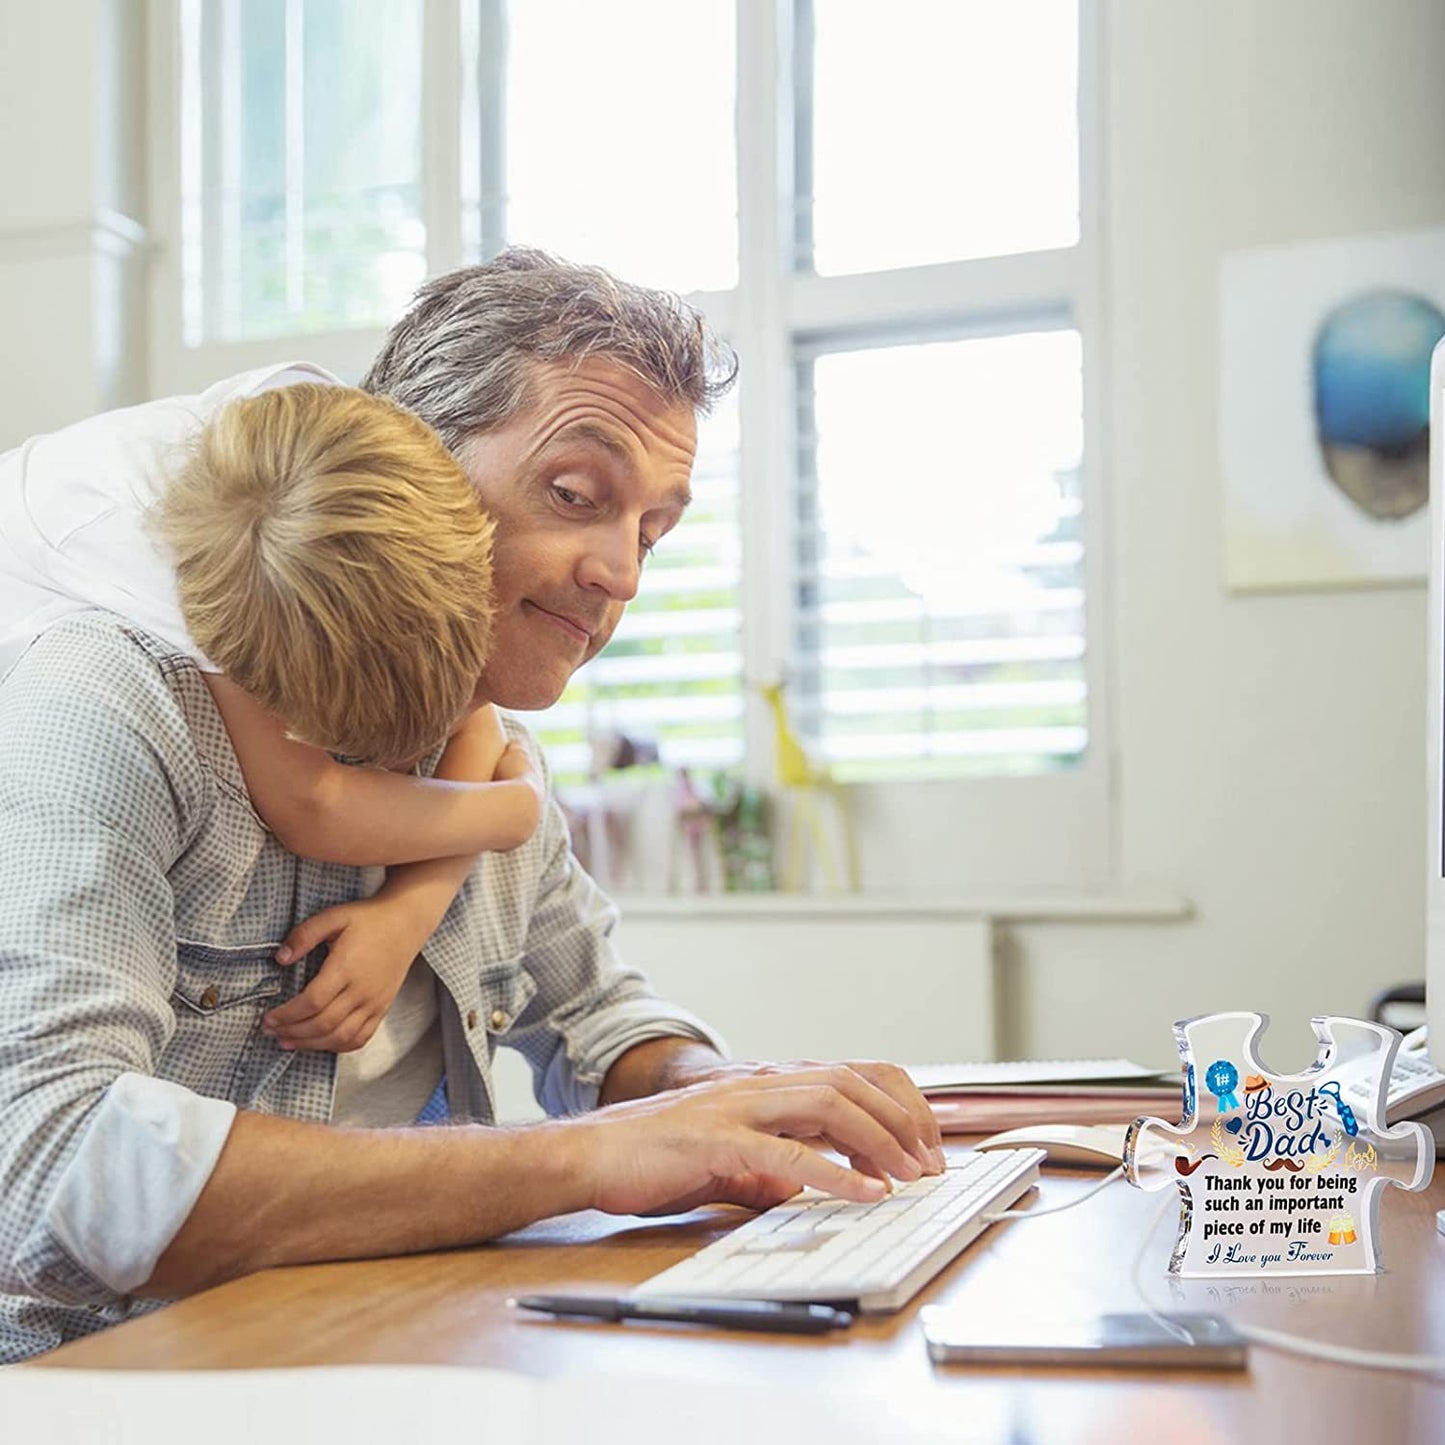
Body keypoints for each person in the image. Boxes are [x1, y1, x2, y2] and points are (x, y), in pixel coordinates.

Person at [0, 248, 943, 1363]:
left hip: (401, 1345)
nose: (622, 574)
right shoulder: (111, 699)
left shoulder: (497, 756)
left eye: (650, 529)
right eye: (575, 496)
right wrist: (588, 1155)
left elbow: (598, 1019)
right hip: (128, 1379)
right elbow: (51, 1165)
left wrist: (716, 1095)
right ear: (413, 460)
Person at [1, 378, 547, 1055]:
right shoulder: (199, 585)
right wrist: (519, 809)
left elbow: (473, 713)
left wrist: (411, 909)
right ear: (280, 704)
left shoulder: (359, 463)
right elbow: (314, 807)